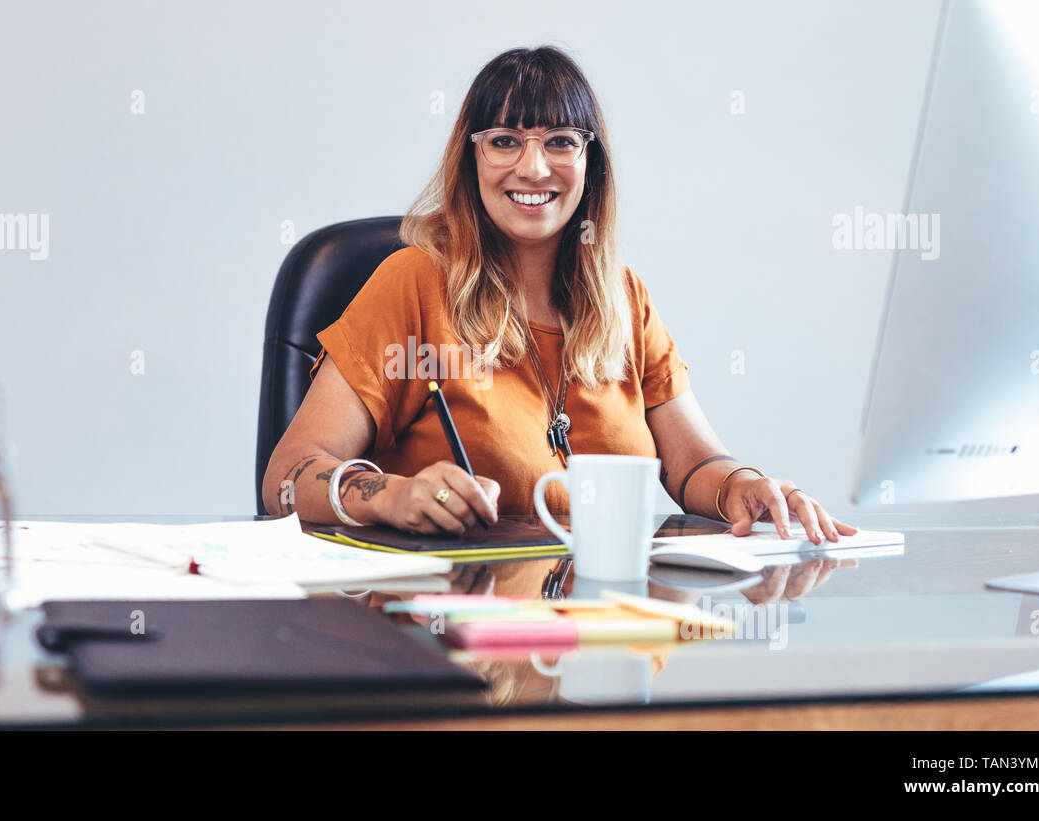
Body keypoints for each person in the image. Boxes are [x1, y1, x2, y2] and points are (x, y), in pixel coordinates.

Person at [263, 46, 856, 544]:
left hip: (606, 630)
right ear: (471, 159)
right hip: (456, 633)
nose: (533, 167)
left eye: (559, 142)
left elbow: (695, 464)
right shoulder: (413, 283)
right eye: (504, 141)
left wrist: (744, 487)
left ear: (589, 160)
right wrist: (389, 495)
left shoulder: (623, 297)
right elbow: (287, 476)